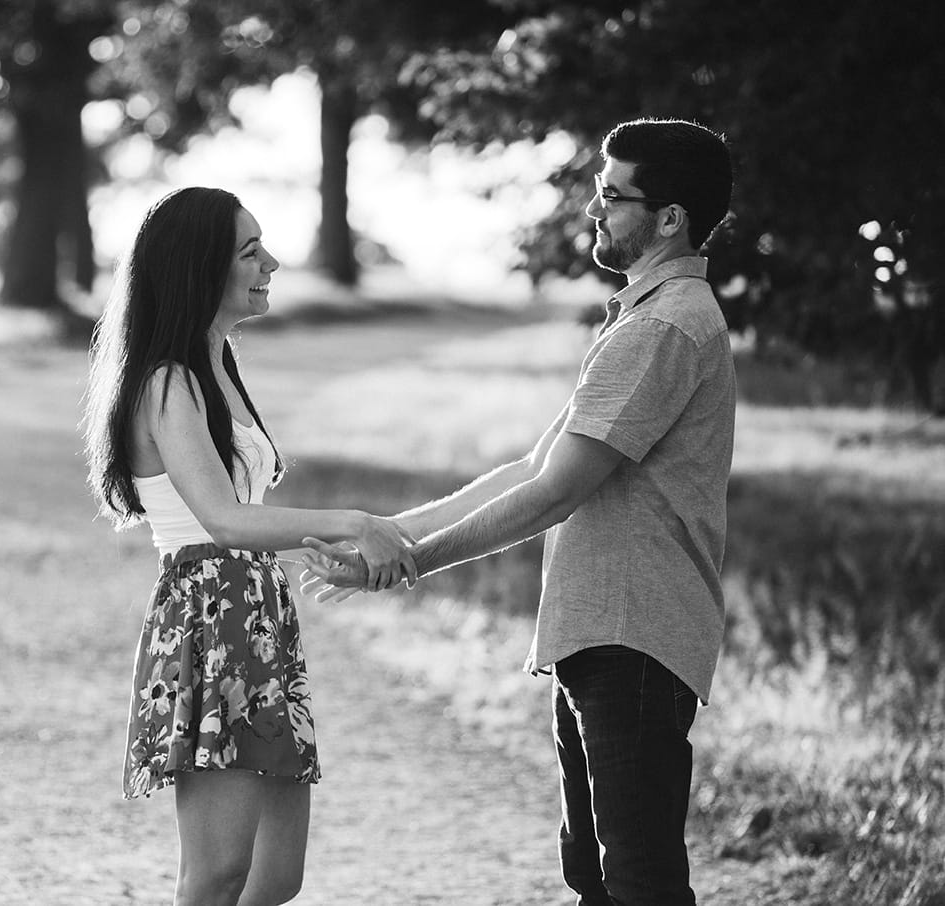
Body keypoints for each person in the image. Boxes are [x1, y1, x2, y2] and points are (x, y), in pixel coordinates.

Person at [303, 118, 735, 905]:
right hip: (599, 630)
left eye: (613, 194)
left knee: (638, 878)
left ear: (670, 218)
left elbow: (556, 492)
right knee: (594, 872)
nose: (594, 210)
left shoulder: (666, 326)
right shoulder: (640, 319)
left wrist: (409, 564)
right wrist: (398, 533)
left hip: (633, 631)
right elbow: (534, 465)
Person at [82, 186, 414, 906]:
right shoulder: (168, 382)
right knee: (219, 872)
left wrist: (315, 553)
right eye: (251, 250)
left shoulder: (221, 364)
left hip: (255, 616)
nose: (272, 263)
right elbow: (222, 523)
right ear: (202, 267)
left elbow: (248, 522)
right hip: (207, 620)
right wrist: (351, 520)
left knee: (275, 878)